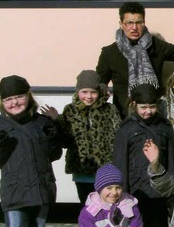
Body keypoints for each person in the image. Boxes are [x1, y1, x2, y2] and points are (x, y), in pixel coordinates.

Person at [0, 75, 62, 227]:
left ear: (28, 96)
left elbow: (55, 154)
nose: (15, 103)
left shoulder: (41, 122)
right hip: (15, 195)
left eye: (19, 96)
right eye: (9, 99)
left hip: (41, 191)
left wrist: (52, 135)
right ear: (2, 102)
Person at [97, 1, 174, 118]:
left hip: (155, 117)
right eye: (129, 23)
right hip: (124, 118)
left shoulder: (156, 46)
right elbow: (99, 85)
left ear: (144, 23)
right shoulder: (109, 53)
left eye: (139, 22)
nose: (134, 27)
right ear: (121, 24)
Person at [113, 83, 174, 227]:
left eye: (152, 106)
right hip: (136, 189)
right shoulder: (126, 129)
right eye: (143, 107)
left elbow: (172, 157)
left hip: (159, 188)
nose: (148, 111)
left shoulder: (165, 126)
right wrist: (121, 191)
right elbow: (120, 161)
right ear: (134, 104)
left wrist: (173, 184)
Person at [42, 70, 121, 205]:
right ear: (77, 91)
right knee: (88, 207)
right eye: (84, 92)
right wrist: (56, 120)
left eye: (93, 92)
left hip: (105, 170)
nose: (89, 96)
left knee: (108, 207)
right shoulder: (70, 110)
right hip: (81, 170)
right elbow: (65, 140)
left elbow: (118, 135)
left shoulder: (109, 109)